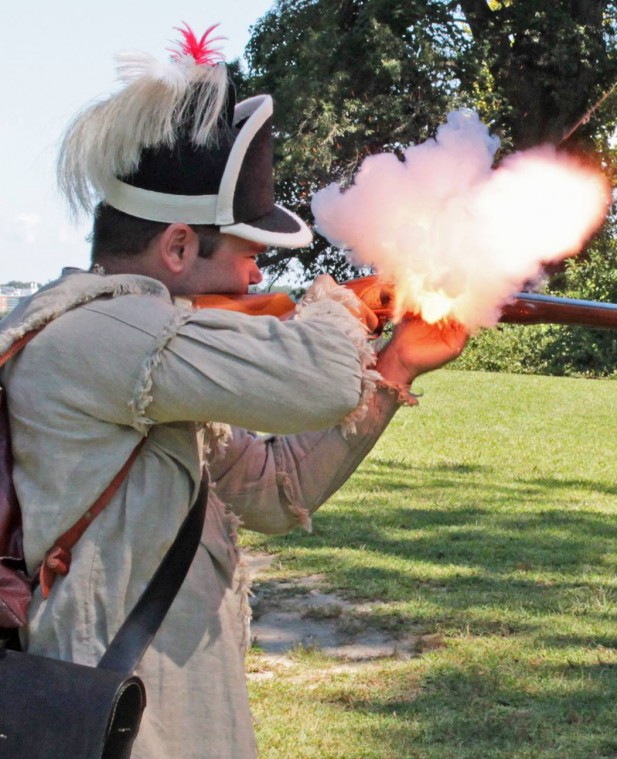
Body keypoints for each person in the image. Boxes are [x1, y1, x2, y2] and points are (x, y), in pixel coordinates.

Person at [0, 27, 465, 758]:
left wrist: (395, 365)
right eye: (248, 256)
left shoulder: (154, 351)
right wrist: (344, 302)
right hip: (113, 723)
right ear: (179, 247)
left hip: (162, 712)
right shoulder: (106, 333)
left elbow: (276, 489)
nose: (255, 279)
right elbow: (317, 378)